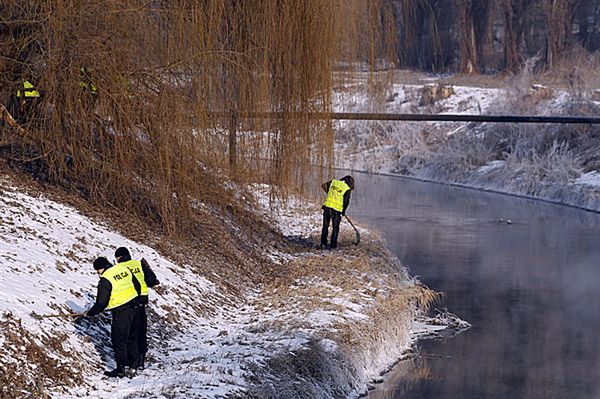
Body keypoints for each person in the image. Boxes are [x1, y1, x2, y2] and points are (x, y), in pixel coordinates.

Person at [85, 256, 141, 378]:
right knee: (132, 337)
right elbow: (137, 285)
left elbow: (101, 302)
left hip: (121, 312)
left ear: (101, 269)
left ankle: (121, 369)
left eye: (97, 271)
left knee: (119, 340)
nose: (97, 273)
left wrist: (90, 313)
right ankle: (134, 367)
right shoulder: (123, 269)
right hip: (135, 308)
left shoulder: (105, 279)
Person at [114, 247, 159, 370]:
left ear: (118, 258)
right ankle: (141, 361)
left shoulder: (119, 269)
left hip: (127, 305)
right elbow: (151, 281)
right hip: (142, 303)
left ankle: (130, 361)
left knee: (129, 334)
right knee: (141, 332)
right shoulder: (138, 264)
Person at [320, 175, 354, 249]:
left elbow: (324, 186)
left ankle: (323, 243)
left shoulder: (333, 182)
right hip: (336, 210)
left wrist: (331, 193)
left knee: (325, 226)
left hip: (327, 207)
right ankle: (333, 245)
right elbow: (346, 202)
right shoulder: (346, 189)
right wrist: (343, 211)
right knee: (335, 228)